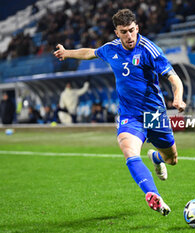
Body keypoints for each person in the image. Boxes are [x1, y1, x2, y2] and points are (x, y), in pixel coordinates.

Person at [54, 9, 186, 216]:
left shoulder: (149, 50)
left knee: (172, 159)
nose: (129, 36)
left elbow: (174, 77)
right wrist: (67, 53)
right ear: (117, 32)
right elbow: (90, 52)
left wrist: (177, 97)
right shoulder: (111, 49)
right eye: (124, 32)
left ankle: (158, 159)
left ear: (137, 28)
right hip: (129, 115)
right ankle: (153, 195)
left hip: (154, 115)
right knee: (129, 150)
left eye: (132, 30)